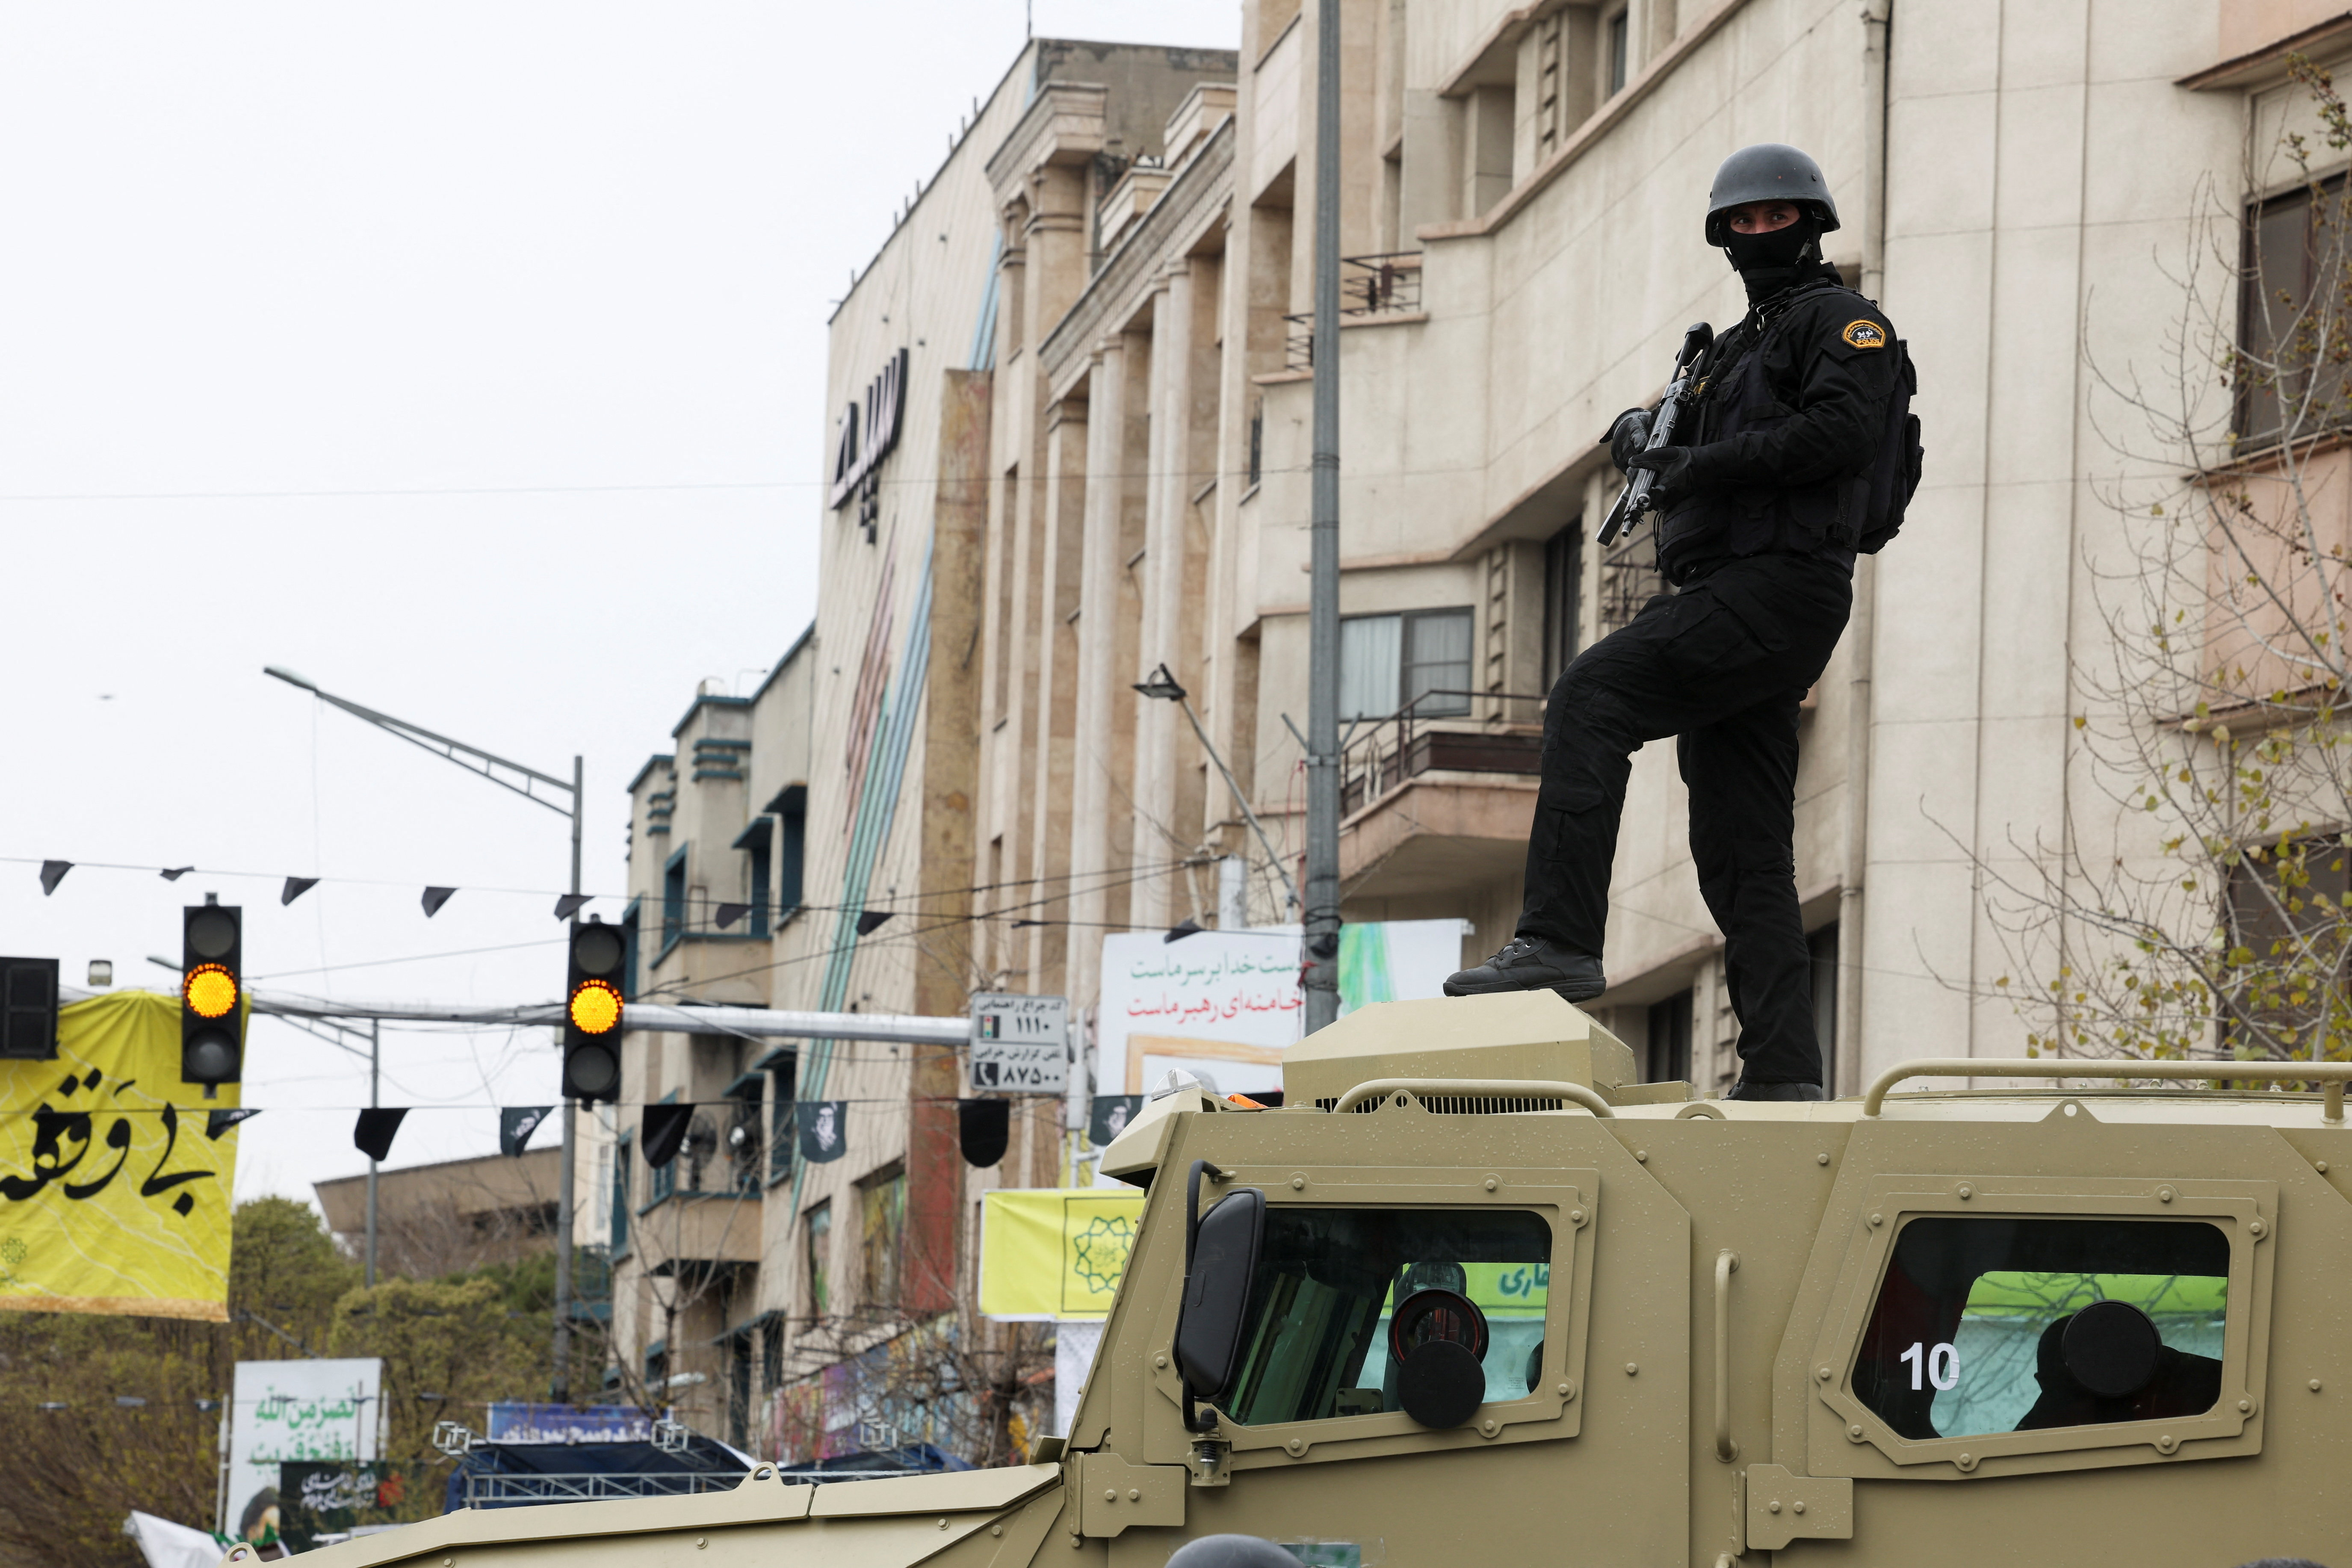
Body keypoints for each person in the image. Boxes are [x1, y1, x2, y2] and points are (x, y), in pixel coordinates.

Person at [1445, 144, 1913, 1102]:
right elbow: (1672, 436)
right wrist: (1638, 432)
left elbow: (1840, 434)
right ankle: (1783, 1076)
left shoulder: (1841, 323)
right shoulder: (1731, 351)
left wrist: (1693, 468)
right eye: (1740, 223)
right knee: (1740, 849)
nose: (1756, 235)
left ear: (1809, 224)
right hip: (1724, 591)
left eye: (1772, 219)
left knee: (1591, 693)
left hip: (1779, 586)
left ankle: (1560, 942)